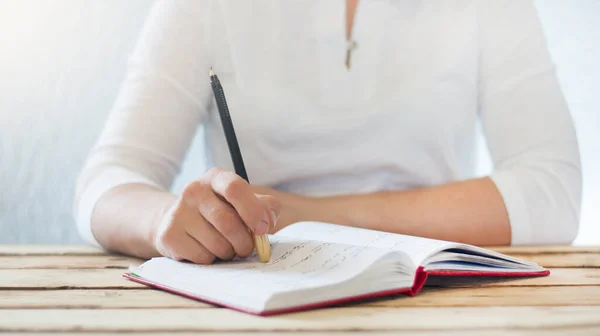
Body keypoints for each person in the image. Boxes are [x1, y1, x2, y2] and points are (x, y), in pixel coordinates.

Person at [74, 0, 582, 264]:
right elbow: (105, 183)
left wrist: (298, 216)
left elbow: (553, 193)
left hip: (429, 289)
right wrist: (167, 219)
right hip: (253, 294)